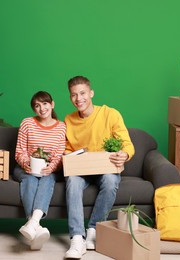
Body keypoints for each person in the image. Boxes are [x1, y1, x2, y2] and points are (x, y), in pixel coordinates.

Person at [64, 76, 135, 259]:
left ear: (91, 93)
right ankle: (77, 238)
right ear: (70, 97)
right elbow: (68, 148)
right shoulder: (69, 120)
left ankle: (94, 230)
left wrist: (124, 154)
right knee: (72, 181)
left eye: (82, 93)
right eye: (74, 95)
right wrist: (66, 156)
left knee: (111, 180)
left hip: (106, 167)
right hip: (81, 170)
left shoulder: (110, 114)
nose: (79, 99)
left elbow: (127, 144)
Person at [13, 91, 66, 250]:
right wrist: (26, 164)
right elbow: (19, 152)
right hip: (25, 169)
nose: (42, 108)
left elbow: (58, 155)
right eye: (37, 105)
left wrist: (52, 167)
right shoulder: (27, 123)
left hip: (47, 171)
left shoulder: (61, 127)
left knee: (48, 179)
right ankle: (36, 225)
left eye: (44, 103)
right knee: (30, 180)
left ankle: (33, 224)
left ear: (52, 104)